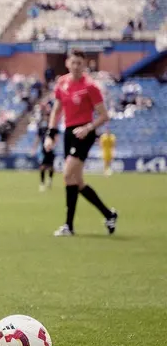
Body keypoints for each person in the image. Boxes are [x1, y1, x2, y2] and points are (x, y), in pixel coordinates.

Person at [44, 50, 118, 237]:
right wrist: (50, 134)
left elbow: (104, 115)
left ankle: (69, 226)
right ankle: (109, 214)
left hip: (85, 134)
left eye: (80, 63)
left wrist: (88, 128)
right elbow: (57, 110)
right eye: (73, 62)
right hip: (69, 133)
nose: (76, 66)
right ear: (68, 63)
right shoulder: (62, 83)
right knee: (77, 181)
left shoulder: (90, 87)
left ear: (84, 65)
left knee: (68, 175)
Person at [32, 108, 56, 191]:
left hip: (51, 150)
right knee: (42, 167)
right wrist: (34, 148)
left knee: (51, 167)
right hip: (43, 150)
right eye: (45, 116)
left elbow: (56, 138)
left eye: (48, 116)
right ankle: (42, 183)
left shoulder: (53, 128)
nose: (46, 118)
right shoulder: (41, 128)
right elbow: (37, 138)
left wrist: (52, 146)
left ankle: (50, 180)